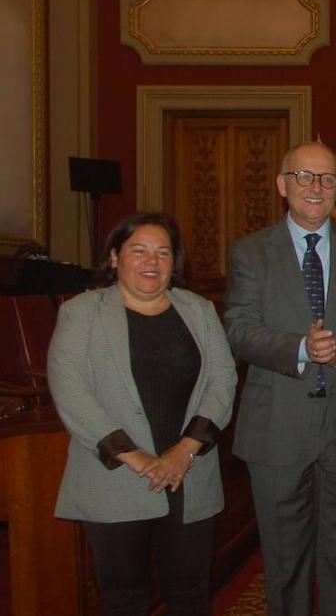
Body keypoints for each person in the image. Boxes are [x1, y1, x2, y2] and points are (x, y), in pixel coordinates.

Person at [224, 141, 336, 616]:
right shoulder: (251, 253)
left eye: (327, 178)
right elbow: (237, 330)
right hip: (277, 428)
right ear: (282, 184)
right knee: (284, 560)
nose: (315, 188)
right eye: (303, 177)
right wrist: (301, 347)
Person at [48, 212, 238, 616]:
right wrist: (137, 459)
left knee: (190, 594)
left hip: (190, 474)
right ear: (115, 257)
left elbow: (223, 381)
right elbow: (71, 391)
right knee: (123, 598)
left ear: (174, 262)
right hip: (115, 475)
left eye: (162, 252)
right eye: (139, 250)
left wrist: (183, 451)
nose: (151, 261)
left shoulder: (199, 310)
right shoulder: (82, 313)